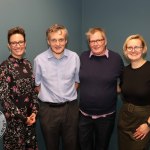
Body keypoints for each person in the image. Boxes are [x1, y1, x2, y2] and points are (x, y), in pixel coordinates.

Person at [33, 24, 80, 150]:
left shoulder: (74, 57)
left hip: (70, 109)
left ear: (66, 40)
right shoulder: (39, 60)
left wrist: (65, 95)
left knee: (71, 146)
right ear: (48, 41)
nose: (57, 43)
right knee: (51, 146)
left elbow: (76, 82)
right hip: (48, 111)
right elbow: (37, 86)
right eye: (53, 40)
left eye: (61, 40)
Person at [79, 27, 124, 150]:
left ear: (105, 41)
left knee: (102, 147)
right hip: (84, 115)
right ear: (89, 43)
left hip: (106, 117)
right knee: (84, 147)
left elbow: (124, 81)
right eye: (92, 41)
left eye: (99, 40)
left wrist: (111, 91)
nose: (96, 43)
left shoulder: (116, 59)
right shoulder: (82, 57)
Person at [0, 26, 39, 149]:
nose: (18, 45)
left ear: (25, 43)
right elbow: (4, 99)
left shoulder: (28, 64)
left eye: (20, 42)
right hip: (14, 124)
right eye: (14, 43)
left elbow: (33, 92)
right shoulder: (4, 67)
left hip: (30, 122)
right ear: (9, 45)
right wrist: (23, 118)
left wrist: (34, 112)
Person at [118, 34, 150, 150]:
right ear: (125, 51)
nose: (133, 50)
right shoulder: (124, 71)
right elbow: (121, 89)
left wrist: (148, 124)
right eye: (130, 47)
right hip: (125, 120)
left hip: (143, 122)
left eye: (137, 47)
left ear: (143, 49)